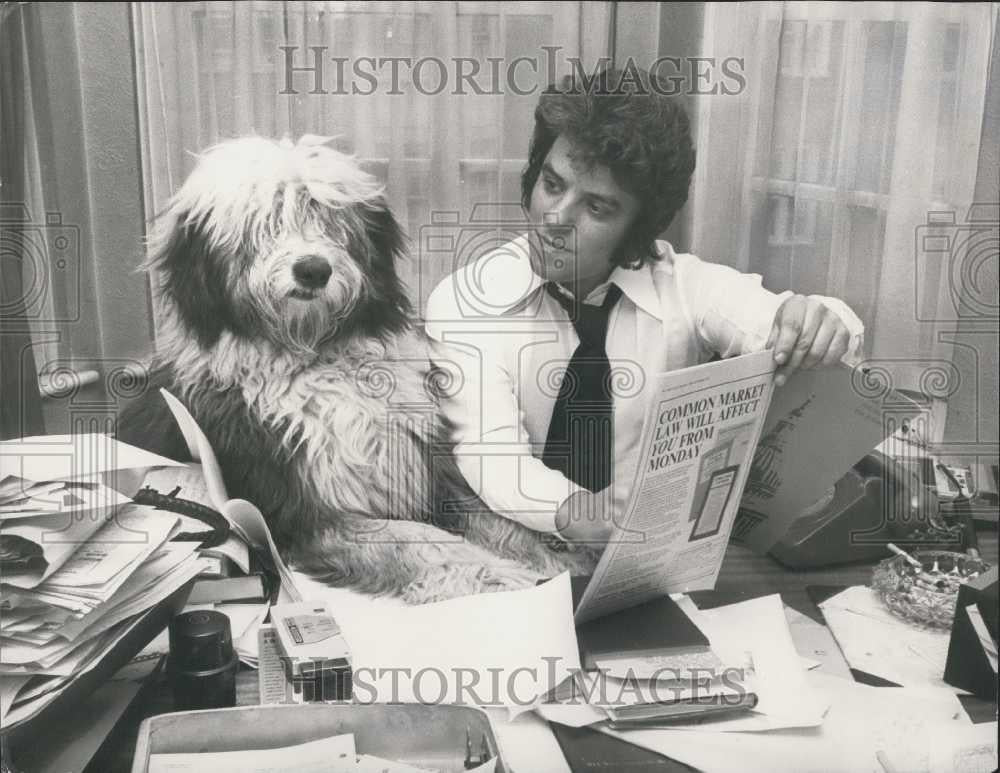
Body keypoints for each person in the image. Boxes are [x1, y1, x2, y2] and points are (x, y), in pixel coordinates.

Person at [423, 66, 863, 547]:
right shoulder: (466, 301)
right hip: (517, 552)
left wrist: (820, 322)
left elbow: (779, 317)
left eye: (596, 208)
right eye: (552, 184)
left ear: (639, 230)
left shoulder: (683, 286)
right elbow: (493, 457)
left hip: (658, 560)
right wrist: (580, 515)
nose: (555, 219)